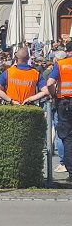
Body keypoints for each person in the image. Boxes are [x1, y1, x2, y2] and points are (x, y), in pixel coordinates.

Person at [44, 42, 72, 182]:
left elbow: (49, 83)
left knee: (67, 138)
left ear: (67, 51)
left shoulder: (61, 64)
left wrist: (53, 95)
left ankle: (71, 172)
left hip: (65, 103)